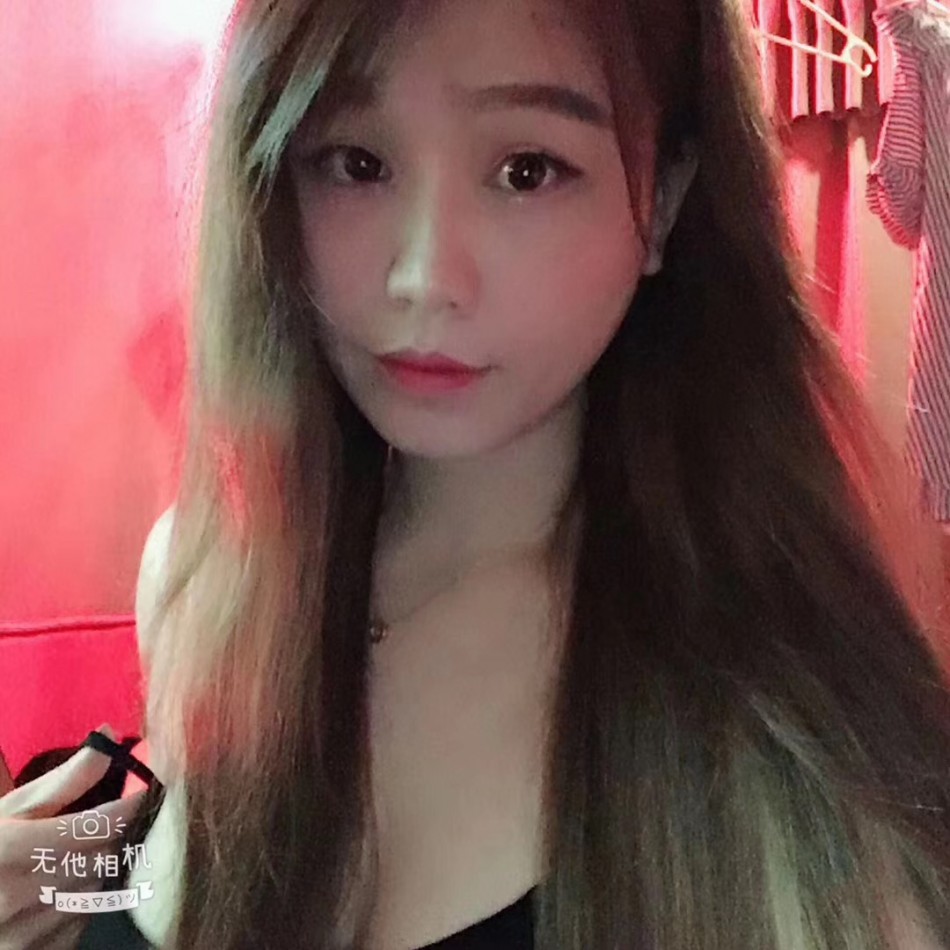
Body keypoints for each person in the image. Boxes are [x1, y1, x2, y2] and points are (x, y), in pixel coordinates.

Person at [4, 0, 950, 946]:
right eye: (357, 163)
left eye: (526, 170)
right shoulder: (200, 581)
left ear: (663, 201)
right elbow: (192, 877)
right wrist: (51, 882)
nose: (425, 275)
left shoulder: (784, 727)